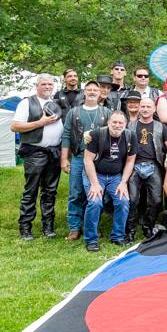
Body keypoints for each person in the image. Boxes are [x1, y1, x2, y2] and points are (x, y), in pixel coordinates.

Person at [11, 74, 65, 240]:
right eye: (44, 84)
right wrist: (40, 123)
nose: (48, 87)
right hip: (35, 152)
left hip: (54, 152)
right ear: (37, 85)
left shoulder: (55, 104)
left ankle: (48, 226)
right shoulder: (27, 103)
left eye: (50, 84)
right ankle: (25, 227)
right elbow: (15, 126)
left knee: (50, 191)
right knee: (31, 190)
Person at [60, 81, 110, 241]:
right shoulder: (74, 112)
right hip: (78, 157)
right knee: (76, 192)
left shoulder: (106, 112)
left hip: (98, 159)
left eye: (95, 90)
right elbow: (66, 135)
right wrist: (64, 159)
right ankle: (74, 227)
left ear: (99, 93)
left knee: (97, 193)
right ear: (84, 92)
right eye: (89, 89)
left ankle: (92, 226)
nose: (92, 92)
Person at [82, 111, 136, 251]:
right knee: (95, 202)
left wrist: (123, 182)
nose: (117, 125)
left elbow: (130, 161)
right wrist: (94, 184)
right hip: (95, 174)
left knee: (123, 201)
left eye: (120, 122)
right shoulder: (97, 134)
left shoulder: (130, 136)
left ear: (125, 124)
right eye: (114, 122)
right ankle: (91, 240)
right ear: (108, 123)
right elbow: (87, 160)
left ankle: (118, 236)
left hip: (116, 176)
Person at [126, 98, 167, 242]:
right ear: (139, 108)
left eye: (148, 106)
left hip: (153, 164)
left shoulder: (160, 126)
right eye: (143, 106)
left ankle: (148, 225)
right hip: (134, 164)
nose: (145, 109)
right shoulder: (130, 125)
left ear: (154, 109)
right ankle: (130, 230)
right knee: (132, 200)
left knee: (157, 200)